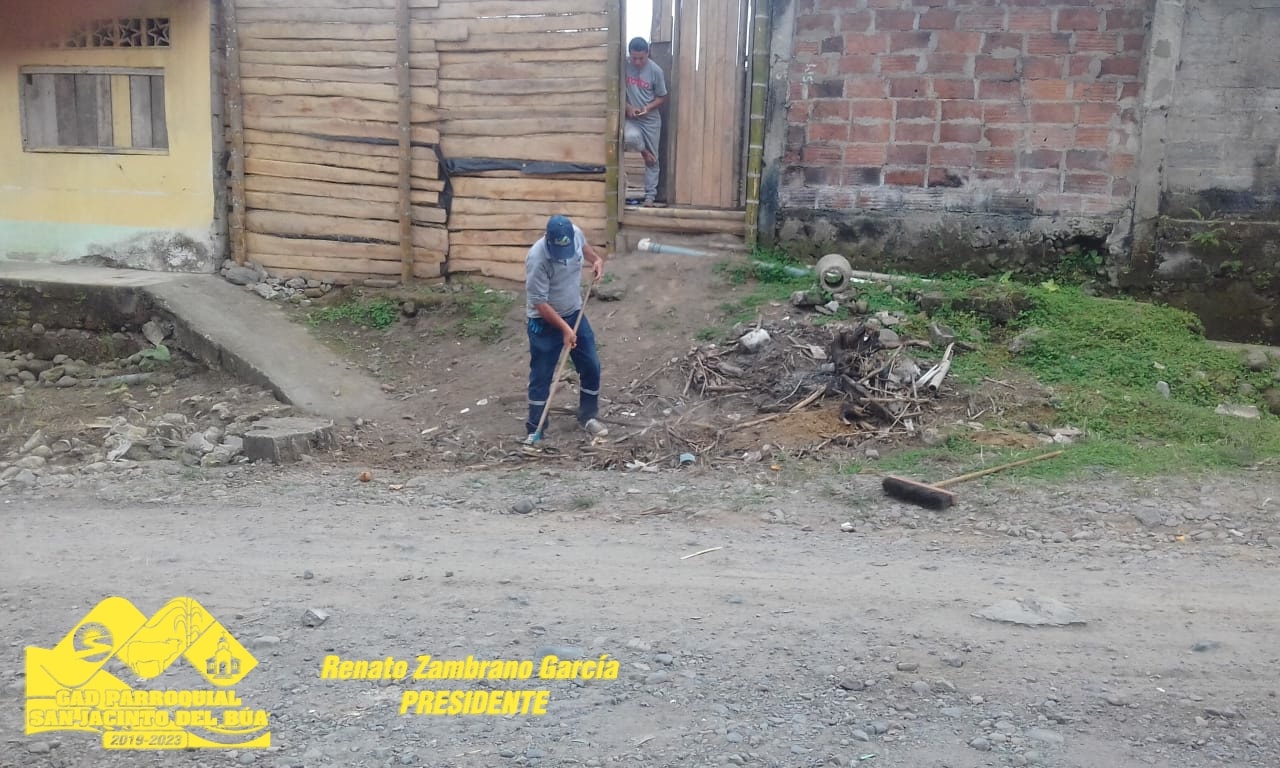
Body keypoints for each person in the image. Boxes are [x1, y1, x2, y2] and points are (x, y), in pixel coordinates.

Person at [524, 215, 609, 441]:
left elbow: (587, 251)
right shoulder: (537, 259)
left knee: (591, 364)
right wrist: (564, 329)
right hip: (543, 322)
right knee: (542, 374)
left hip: (574, 313)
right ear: (547, 238)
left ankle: (588, 416)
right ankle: (535, 429)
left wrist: (596, 260)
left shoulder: (575, 233)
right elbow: (539, 303)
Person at [623, 36, 668, 207]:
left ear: (647, 54)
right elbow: (617, 91)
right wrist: (628, 107)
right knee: (631, 137)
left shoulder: (656, 71)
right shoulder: (624, 66)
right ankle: (643, 151)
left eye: (641, 58)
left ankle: (650, 197)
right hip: (631, 118)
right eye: (633, 58)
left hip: (650, 120)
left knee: (653, 160)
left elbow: (662, 97)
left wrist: (647, 108)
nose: (637, 62)